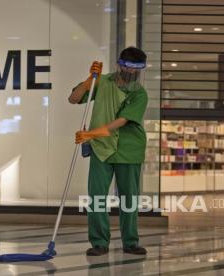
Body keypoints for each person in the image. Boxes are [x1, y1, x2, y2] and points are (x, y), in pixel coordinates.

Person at [68, 47, 148, 256]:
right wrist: (88, 81)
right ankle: (99, 243)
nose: (131, 73)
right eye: (128, 68)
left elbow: (122, 121)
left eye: (137, 70)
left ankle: (130, 242)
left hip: (128, 149)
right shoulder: (101, 82)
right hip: (101, 149)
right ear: (119, 64)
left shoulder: (139, 93)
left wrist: (92, 133)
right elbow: (74, 99)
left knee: (128, 198)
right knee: (97, 198)